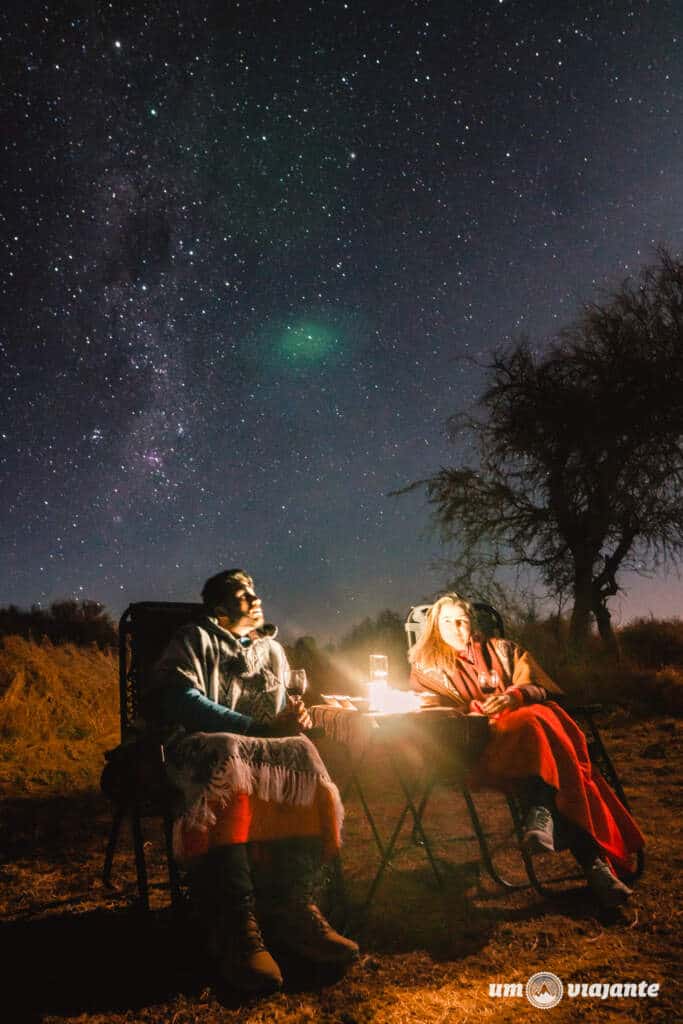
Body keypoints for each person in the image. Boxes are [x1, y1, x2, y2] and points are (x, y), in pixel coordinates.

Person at [148, 568, 358, 995]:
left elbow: (278, 718)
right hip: (200, 748)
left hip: (255, 749)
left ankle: (291, 905)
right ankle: (235, 922)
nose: (255, 598)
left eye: (254, 591)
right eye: (243, 594)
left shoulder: (273, 651)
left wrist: (291, 719)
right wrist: (251, 727)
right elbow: (180, 698)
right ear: (219, 608)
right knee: (228, 752)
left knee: (300, 751)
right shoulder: (194, 639)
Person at [409, 593, 644, 910]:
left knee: (537, 717)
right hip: (484, 749)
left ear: (472, 623)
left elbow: (537, 682)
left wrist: (513, 697)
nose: (456, 627)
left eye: (462, 620)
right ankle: (590, 861)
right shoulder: (427, 668)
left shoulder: (501, 651)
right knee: (541, 721)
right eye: (447, 621)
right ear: (436, 626)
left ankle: (542, 813)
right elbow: (434, 720)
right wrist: (477, 713)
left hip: (529, 750)